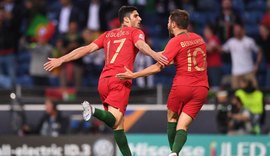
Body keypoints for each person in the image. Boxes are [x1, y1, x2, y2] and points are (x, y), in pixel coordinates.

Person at [44, 6, 167, 156]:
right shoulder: (136, 32)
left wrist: (61, 59)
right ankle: (93, 110)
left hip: (103, 81)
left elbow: (86, 49)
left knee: (118, 127)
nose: (140, 19)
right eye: (136, 16)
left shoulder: (108, 34)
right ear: (126, 20)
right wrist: (155, 55)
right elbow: (141, 45)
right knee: (115, 121)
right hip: (121, 78)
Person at [117, 9, 209, 156]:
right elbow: (187, 58)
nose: (167, 24)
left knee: (172, 118)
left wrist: (134, 75)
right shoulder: (199, 39)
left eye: (168, 21)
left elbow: (158, 67)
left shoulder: (175, 41)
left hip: (182, 86)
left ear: (173, 24)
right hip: (202, 88)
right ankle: (174, 153)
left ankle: (173, 150)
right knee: (183, 126)